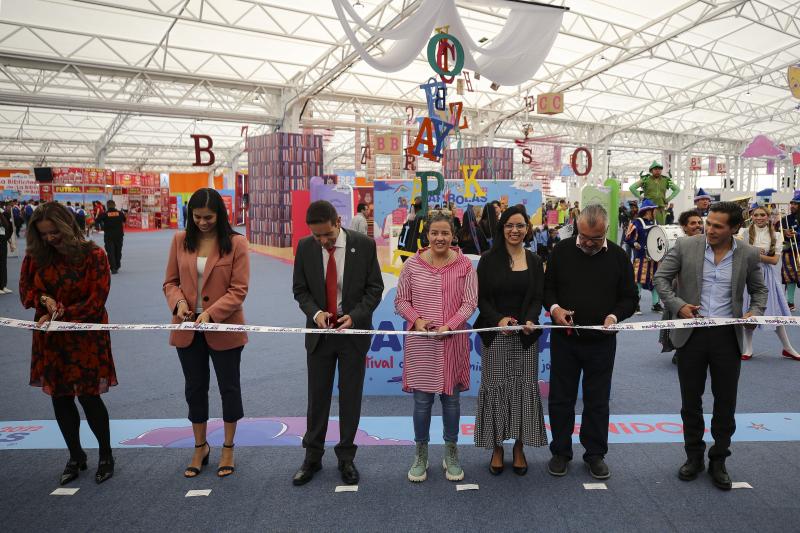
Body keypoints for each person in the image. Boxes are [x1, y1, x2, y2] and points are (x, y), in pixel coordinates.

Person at [654, 202, 767, 491]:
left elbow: (759, 290)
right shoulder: (685, 246)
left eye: (718, 226)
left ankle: (719, 459)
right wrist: (678, 306)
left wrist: (755, 312)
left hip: (727, 336)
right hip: (690, 335)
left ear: (734, 228)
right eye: (708, 223)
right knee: (690, 401)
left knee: (725, 402)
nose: (710, 229)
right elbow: (661, 278)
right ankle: (693, 457)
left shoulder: (748, 253)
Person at [19, 202, 116, 485]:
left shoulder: (94, 255)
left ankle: (106, 455)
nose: (50, 238)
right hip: (51, 336)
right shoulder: (35, 256)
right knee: (60, 396)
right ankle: (75, 456)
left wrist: (61, 313)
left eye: (54, 232)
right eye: (43, 234)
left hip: (85, 335)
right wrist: (44, 300)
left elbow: (96, 301)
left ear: (68, 227)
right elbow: (26, 290)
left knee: (89, 396)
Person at [292, 200, 383, 486]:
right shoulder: (305, 247)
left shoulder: (364, 245)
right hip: (320, 335)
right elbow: (300, 290)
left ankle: (346, 458)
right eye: (316, 235)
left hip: (352, 335)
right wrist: (316, 313)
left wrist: (355, 317)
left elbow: (375, 289)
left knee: (350, 397)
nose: (322, 240)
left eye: (327, 234)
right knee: (317, 397)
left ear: (338, 222)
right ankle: (312, 457)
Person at [544, 204, 637, 480]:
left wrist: (614, 316)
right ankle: (560, 452)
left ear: (606, 231)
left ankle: (595, 454)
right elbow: (547, 289)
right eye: (583, 236)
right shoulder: (561, 251)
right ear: (576, 227)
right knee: (561, 398)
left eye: (595, 239)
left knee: (597, 400)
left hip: (602, 341)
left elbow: (630, 298)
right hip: (565, 339)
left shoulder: (619, 256)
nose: (587, 243)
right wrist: (555, 309)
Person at [163, 188, 250, 478]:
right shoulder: (179, 240)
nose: (202, 222)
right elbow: (170, 282)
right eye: (197, 217)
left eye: (208, 217)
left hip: (223, 326)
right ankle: (200, 446)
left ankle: (228, 447)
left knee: (229, 388)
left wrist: (211, 313)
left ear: (220, 216)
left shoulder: (236, 243)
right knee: (195, 389)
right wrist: (179, 304)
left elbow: (239, 290)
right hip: (187, 328)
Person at [394, 211, 477, 482]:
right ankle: (421, 453)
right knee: (422, 403)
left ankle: (451, 452)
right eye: (434, 233)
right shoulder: (411, 265)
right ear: (427, 235)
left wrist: (450, 325)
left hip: (453, 343)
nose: (440, 238)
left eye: (445, 233)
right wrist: (417, 320)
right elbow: (401, 301)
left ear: (453, 235)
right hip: (422, 345)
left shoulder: (465, 265)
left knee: (452, 402)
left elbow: (470, 303)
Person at [473, 205, 547, 476]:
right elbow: (481, 298)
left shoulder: (535, 260)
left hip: (525, 338)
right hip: (495, 335)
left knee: (524, 390)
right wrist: (498, 320)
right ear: (502, 228)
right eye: (509, 225)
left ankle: (519, 447)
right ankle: (496, 447)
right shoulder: (488, 260)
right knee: (495, 388)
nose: (515, 230)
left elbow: (537, 297)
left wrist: (530, 319)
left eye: (520, 225)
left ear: (527, 228)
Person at [737, 204, 800, 361]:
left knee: (774, 312)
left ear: (768, 217)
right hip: (747, 274)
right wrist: (755, 253)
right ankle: (748, 348)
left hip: (766, 276)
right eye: (756, 215)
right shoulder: (744, 233)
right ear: (752, 216)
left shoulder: (777, 235)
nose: (759, 218)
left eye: (762, 215)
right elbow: (739, 255)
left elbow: (774, 261)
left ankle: (787, 347)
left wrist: (753, 253)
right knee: (748, 311)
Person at [659, 209, 706, 361]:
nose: (698, 225)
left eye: (700, 222)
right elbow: (663, 274)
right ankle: (679, 350)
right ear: (684, 227)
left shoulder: (709, 245)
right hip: (682, 293)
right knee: (682, 325)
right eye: (693, 223)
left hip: (703, 293)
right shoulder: (678, 246)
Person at [624, 199, 661, 313]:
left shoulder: (655, 223)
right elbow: (628, 238)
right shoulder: (637, 222)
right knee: (638, 280)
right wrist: (634, 243)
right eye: (654, 210)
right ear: (648, 211)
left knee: (656, 280)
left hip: (655, 258)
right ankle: (636, 304)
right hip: (641, 257)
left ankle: (656, 303)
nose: (655, 212)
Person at [780, 193, 800, 311]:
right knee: (789, 277)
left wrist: (797, 235)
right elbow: (779, 234)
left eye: (796, 204)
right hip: (789, 251)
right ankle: (790, 302)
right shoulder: (785, 219)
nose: (792, 206)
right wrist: (784, 232)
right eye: (791, 203)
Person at [94, 200, 125, 274]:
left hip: (109, 236)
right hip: (119, 235)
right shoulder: (120, 213)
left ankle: (113, 267)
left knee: (110, 251)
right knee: (118, 250)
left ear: (107, 206)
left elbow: (97, 221)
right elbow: (124, 220)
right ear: (115, 205)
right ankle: (117, 265)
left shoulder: (105, 214)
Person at [0, 204, 14, 293]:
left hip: (3, 242)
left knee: (3, 264)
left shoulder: (3, 217)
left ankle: (3, 285)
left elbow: (5, 231)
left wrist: (11, 243)